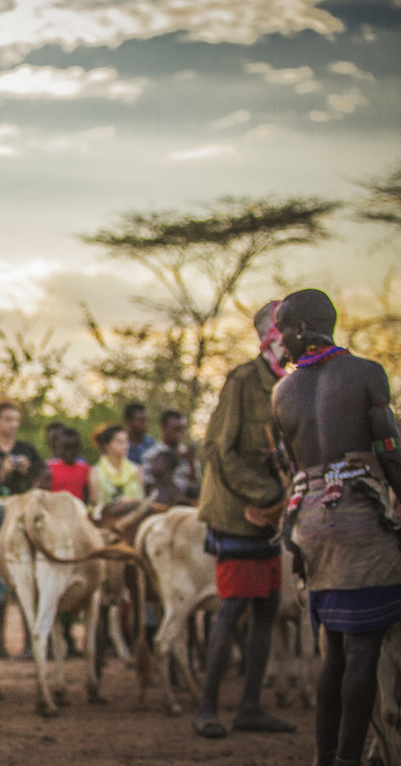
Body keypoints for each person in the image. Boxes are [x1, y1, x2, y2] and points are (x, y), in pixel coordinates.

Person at [272, 289, 401, 766]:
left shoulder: (282, 390)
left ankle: (323, 757)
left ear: (304, 327)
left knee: (336, 653)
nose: (279, 338)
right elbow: (389, 451)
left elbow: (295, 465)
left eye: (283, 327)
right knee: (364, 650)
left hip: (310, 523)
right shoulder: (366, 373)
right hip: (360, 522)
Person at [192, 301, 294, 739]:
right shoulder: (243, 380)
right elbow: (219, 448)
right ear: (271, 335)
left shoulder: (287, 384)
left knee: (267, 606)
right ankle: (207, 709)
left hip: (271, 516)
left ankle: (250, 707)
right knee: (231, 608)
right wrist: (267, 494)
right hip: (238, 514)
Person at [0, 399, 43, 495]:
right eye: (8, 420)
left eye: (16, 420)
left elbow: (42, 483)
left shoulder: (28, 450)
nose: (14, 425)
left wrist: (28, 471)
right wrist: (2, 473)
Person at [88, 423, 144, 518]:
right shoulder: (96, 472)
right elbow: (96, 503)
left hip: (135, 517)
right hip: (107, 520)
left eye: (126, 442)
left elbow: (142, 499)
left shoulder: (136, 470)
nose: (125, 446)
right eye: (119, 442)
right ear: (107, 445)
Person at [143, 410, 201, 498]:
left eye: (182, 429)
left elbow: (196, 484)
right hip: (163, 501)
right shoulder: (151, 455)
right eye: (175, 429)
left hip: (188, 500)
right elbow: (149, 485)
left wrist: (191, 463)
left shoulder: (188, 454)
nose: (179, 434)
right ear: (163, 428)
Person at [46, 427, 90, 503]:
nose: (69, 452)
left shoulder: (85, 468)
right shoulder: (49, 468)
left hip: (78, 511)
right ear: (59, 448)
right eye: (66, 448)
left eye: (73, 448)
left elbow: (87, 495)